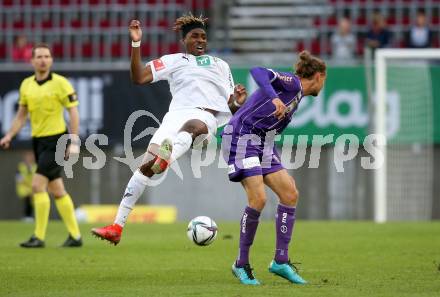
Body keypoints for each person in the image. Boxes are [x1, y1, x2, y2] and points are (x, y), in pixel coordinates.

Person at [91, 14, 246, 244]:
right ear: (184, 40)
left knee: (191, 128)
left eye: (204, 36)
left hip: (204, 117)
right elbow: (139, 77)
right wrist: (136, 43)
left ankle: (168, 156)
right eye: (195, 36)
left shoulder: (220, 65)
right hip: (174, 117)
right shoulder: (173, 60)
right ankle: (116, 227)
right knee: (146, 166)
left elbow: (231, 105)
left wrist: (238, 102)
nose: (201, 40)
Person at [223, 51, 326, 285]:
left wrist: (245, 105)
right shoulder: (292, 83)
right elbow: (258, 71)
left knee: (290, 194)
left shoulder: (297, 96)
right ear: (319, 76)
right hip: (242, 138)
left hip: (263, 141)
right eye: (324, 79)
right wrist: (274, 98)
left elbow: (257, 111)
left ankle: (280, 261)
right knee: (258, 199)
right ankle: (241, 264)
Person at [0, 43, 83, 248]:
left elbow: (73, 112)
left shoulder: (61, 83)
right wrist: (9, 135)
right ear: (32, 61)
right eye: (39, 56)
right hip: (39, 141)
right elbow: (21, 115)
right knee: (57, 189)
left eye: (47, 56)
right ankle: (75, 236)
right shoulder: (26, 85)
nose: (43, 59)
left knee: (37, 185)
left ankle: (39, 236)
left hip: (57, 140)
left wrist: (73, 140)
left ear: (51, 60)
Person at [16, 150, 37, 221]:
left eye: (31, 156)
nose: (30, 158)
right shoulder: (21, 166)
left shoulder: (35, 166)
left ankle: (31, 216)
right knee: (27, 199)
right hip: (24, 187)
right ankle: (27, 216)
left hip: (34, 187)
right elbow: (19, 178)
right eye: (28, 156)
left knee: (35, 202)